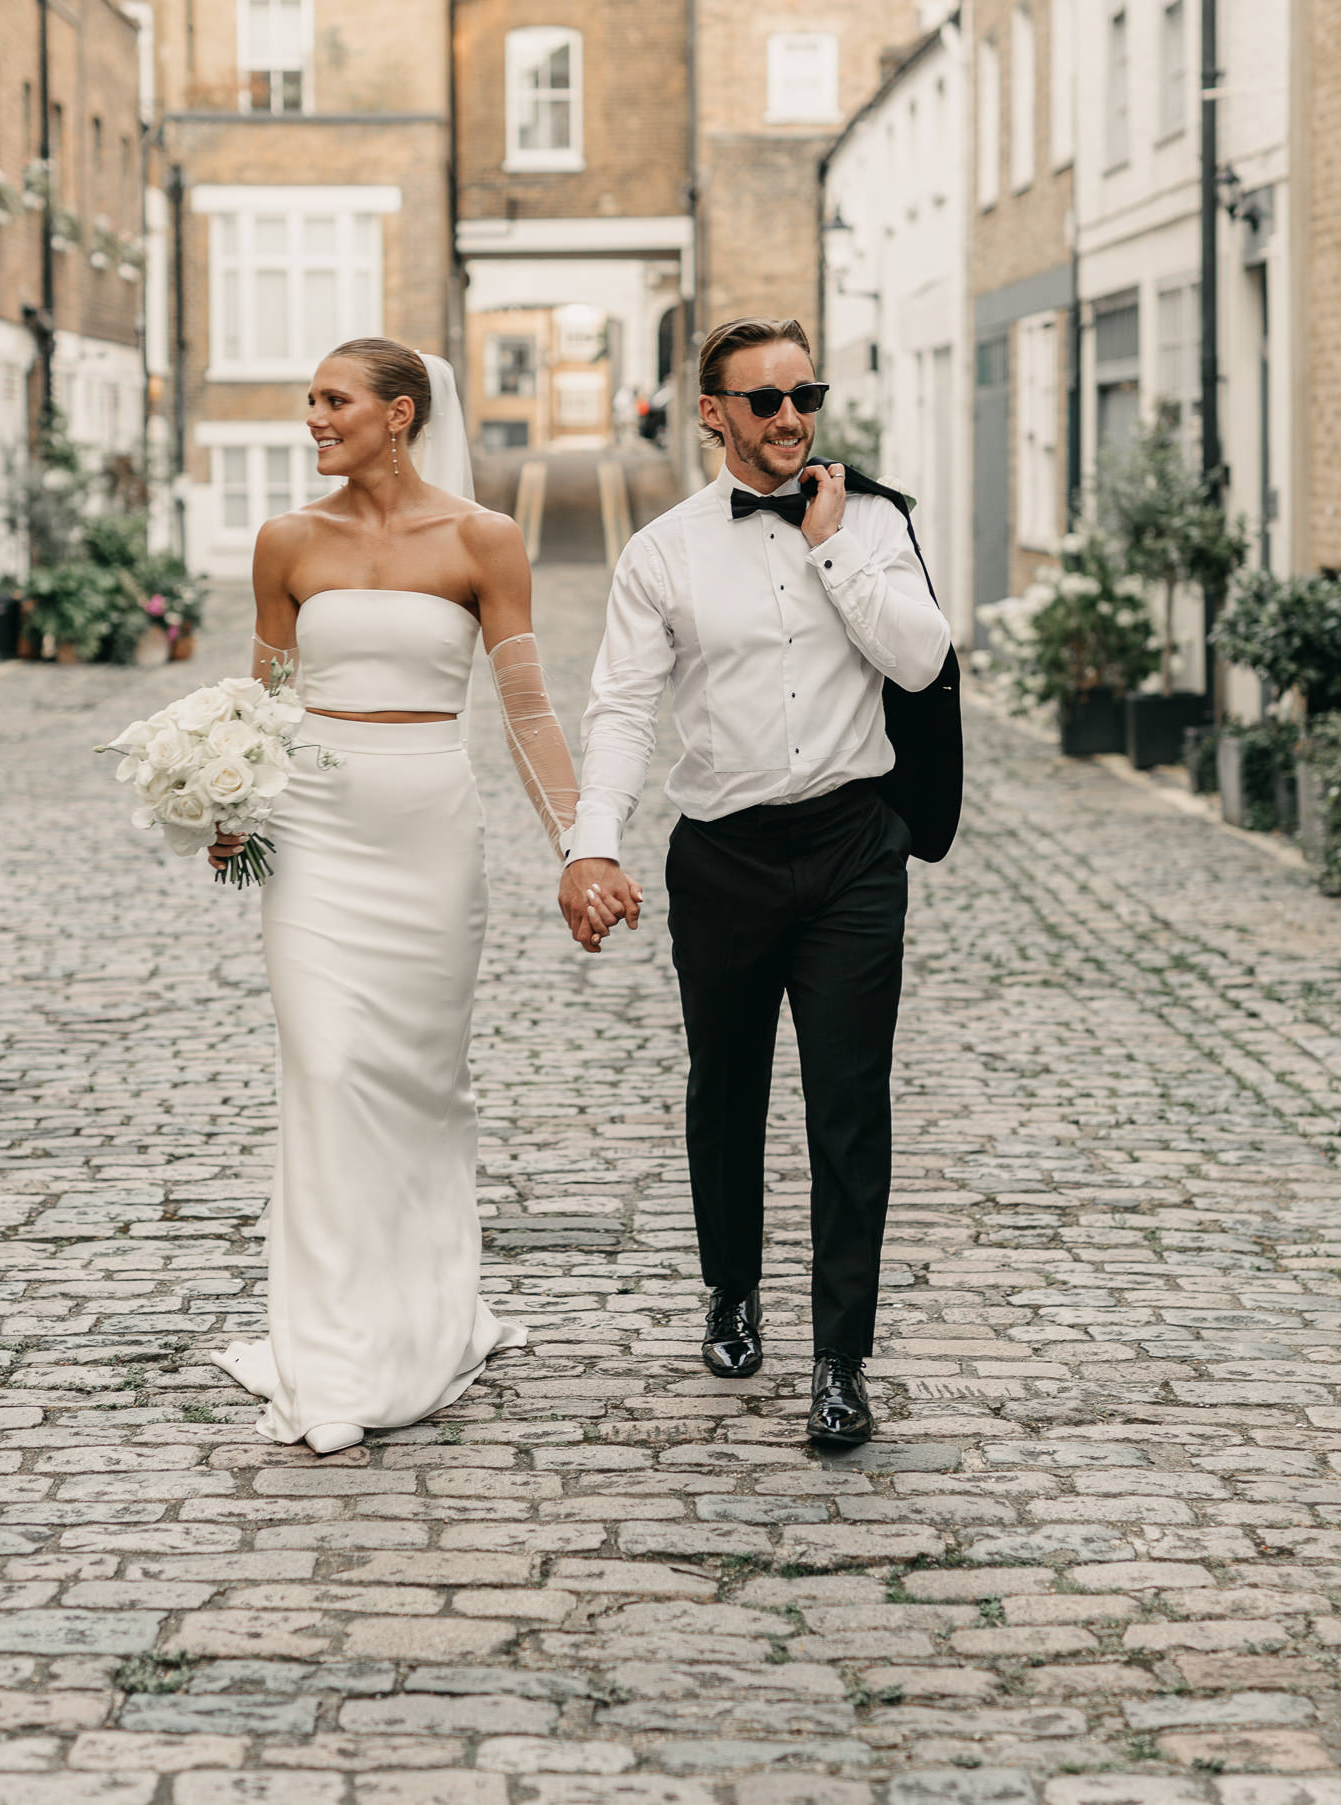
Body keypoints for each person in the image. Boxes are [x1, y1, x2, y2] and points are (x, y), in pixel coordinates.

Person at [558, 317, 952, 1446]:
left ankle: (840, 1361)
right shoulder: (661, 553)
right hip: (722, 854)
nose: (790, 418)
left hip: (850, 851)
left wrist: (831, 548)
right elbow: (623, 709)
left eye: (802, 395)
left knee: (846, 1103)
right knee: (723, 1090)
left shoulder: (874, 521)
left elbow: (921, 660)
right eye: (763, 401)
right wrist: (594, 842)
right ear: (713, 417)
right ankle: (729, 1289)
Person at [208, 338, 587, 1456]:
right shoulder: (285, 542)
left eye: (333, 401)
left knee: (417, 1084)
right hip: (314, 830)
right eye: (308, 399)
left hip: (427, 829)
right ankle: (326, 1355)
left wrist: (581, 843)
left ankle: (416, 1320)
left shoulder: (482, 539)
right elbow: (265, 696)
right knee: (323, 1069)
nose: (312, 418)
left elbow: (524, 712)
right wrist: (225, 797)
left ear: (400, 414)